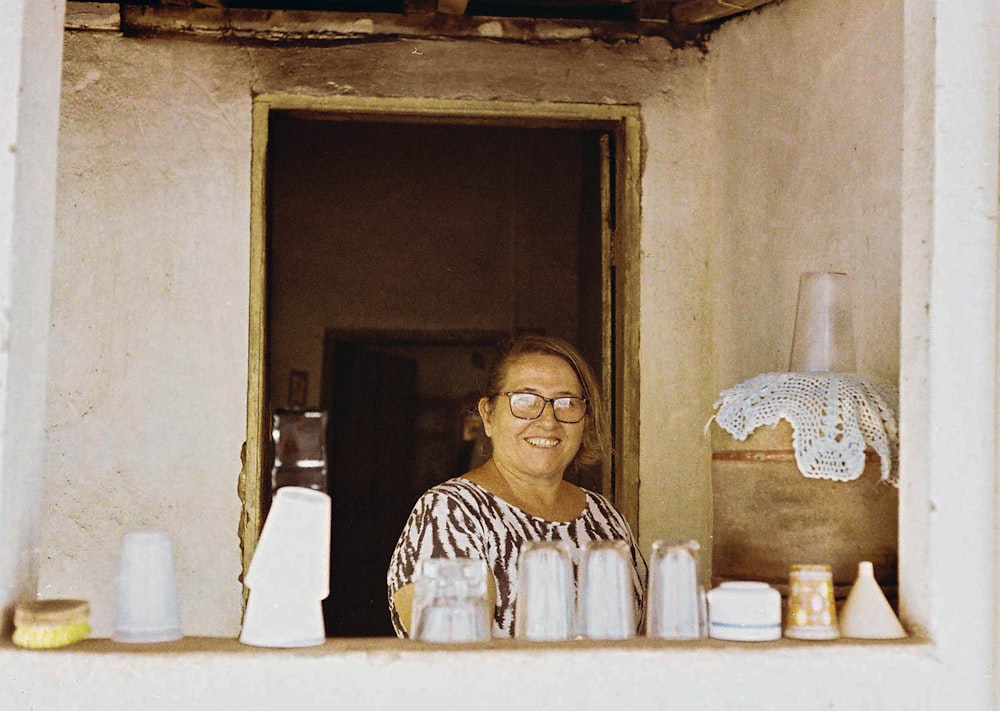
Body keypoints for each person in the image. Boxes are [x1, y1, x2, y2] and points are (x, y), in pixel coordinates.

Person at [386, 333, 645, 638]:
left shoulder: (604, 515)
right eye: (525, 400)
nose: (548, 420)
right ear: (488, 414)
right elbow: (451, 666)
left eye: (567, 403)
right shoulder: (451, 512)